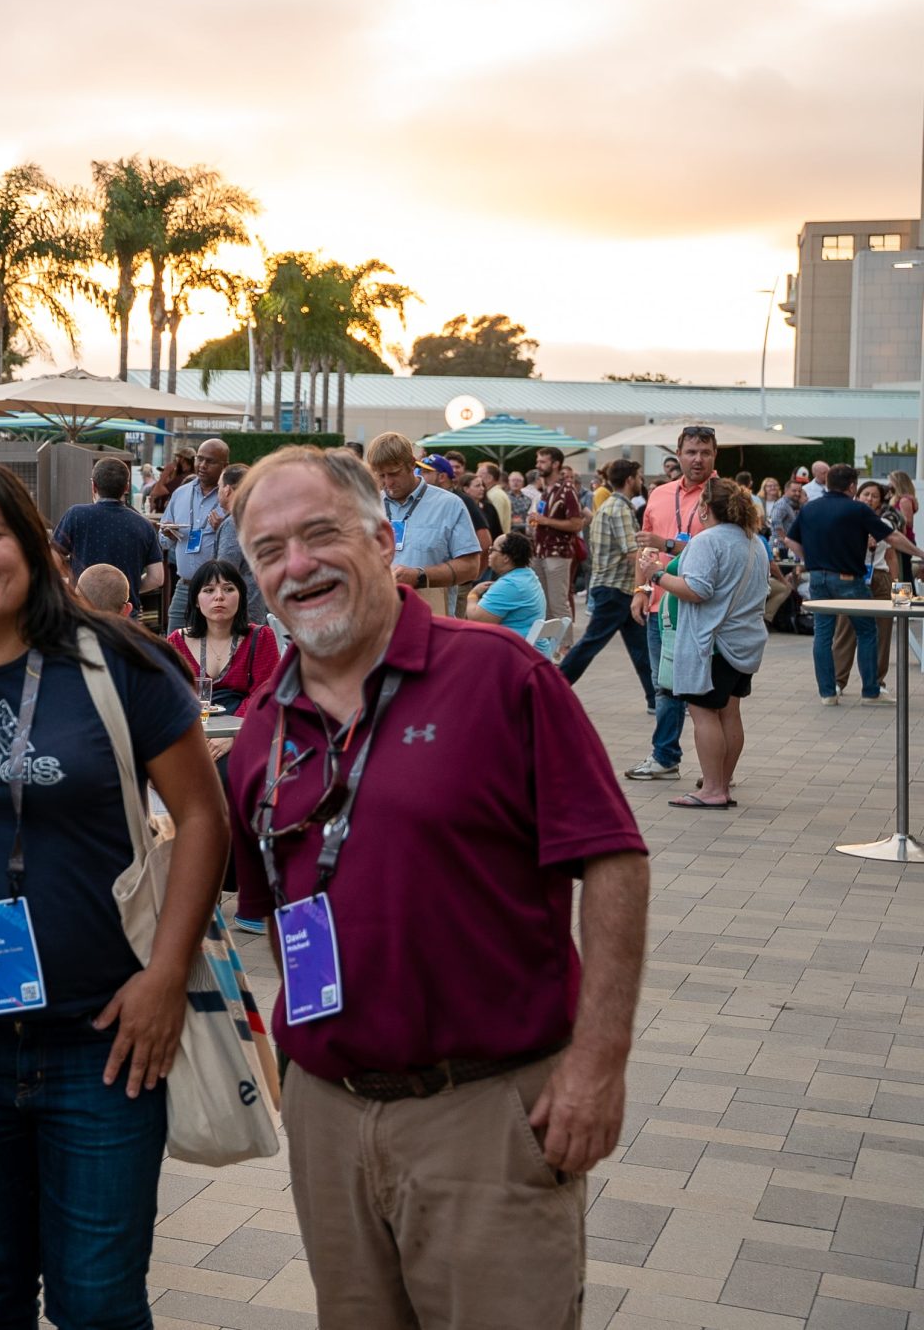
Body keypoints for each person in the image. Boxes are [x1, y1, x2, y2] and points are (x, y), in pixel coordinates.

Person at [225, 446, 649, 1327]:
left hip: (486, 1113)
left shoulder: (499, 675)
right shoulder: (263, 725)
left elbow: (614, 859)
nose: (295, 566)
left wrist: (599, 1063)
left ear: (384, 541)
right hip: (328, 1118)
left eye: (319, 535)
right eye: (270, 550)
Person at [0, 461, 226, 1329]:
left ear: (37, 547)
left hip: (103, 1039)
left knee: (99, 1301)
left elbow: (201, 817)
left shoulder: (121, 663)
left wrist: (166, 977)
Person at [638, 478, 767, 811]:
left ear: (705, 508)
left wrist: (656, 575)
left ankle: (712, 789)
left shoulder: (708, 541)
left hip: (712, 643)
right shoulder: (753, 540)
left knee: (703, 712)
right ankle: (721, 782)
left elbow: (697, 589)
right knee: (730, 713)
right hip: (744, 640)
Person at [627, 425, 716, 780]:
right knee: (663, 686)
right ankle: (665, 756)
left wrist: (667, 544)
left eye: (705, 452)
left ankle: (717, 768)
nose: (698, 459)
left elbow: (721, 551)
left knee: (709, 692)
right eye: (691, 452)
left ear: (715, 456)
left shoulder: (722, 496)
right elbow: (645, 548)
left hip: (700, 606)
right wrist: (640, 590)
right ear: (678, 454)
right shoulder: (661, 493)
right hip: (660, 605)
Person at [790, 463, 919, 706]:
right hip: (849, 579)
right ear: (852, 486)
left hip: (818, 578)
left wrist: (810, 560)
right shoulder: (857, 510)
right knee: (867, 631)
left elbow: (789, 539)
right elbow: (891, 537)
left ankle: (828, 693)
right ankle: (870, 691)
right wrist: (919, 553)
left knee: (823, 634)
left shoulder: (809, 508)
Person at [559, 460, 654, 707]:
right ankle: (553, 684)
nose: (641, 481)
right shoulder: (620, 509)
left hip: (616, 588)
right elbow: (632, 552)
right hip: (614, 590)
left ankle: (656, 699)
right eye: (639, 476)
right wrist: (658, 569)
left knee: (642, 648)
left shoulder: (610, 506)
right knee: (591, 644)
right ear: (630, 479)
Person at [366, 434, 480, 614]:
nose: (388, 483)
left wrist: (420, 576)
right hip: (379, 621)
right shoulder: (368, 506)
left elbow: (471, 567)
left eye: (394, 474)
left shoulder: (449, 505)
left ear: (412, 464)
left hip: (431, 621)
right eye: (381, 475)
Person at [168, 559, 281, 719]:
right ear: (196, 600)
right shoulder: (177, 641)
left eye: (228, 589)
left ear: (241, 597)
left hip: (245, 731)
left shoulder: (261, 637)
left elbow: (266, 694)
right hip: (193, 732)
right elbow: (169, 697)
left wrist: (231, 734)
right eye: (209, 590)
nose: (219, 597)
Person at [51, 459, 163, 606]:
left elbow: (52, 559)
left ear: (94, 486)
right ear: (126, 487)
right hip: (125, 615)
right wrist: (126, 590)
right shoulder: (144, 525)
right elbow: (157, 577)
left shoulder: (76, 515)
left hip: (83, 610)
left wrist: (72, 588)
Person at [158, 437, 229, 629]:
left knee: (212, 650)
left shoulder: (230, 497)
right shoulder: (181, 493)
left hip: (218, 590)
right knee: (173, 649)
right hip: (185, 586)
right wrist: (168, 535)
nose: (202, 465)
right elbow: (163, 541)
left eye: (210, 461)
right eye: (199, 459)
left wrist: (225, 528)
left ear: (225, 466)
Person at [524, 447, 585, 623]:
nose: (538, 466)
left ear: (556, 464)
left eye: (542, 462)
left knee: (558, 604)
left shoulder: (566, 490)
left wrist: (545, 521)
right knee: (543, 604)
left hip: (558, 554)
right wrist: (535, 523)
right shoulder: (546, 490)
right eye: (538, 462)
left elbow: (577, 523)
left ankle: (565, 647)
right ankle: (550, 647)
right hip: (541, 552)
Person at [204, 462, 268, 624]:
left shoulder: (233, 523)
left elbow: (225, 571)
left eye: (219, 487)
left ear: (227, 490)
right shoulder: (260, 517)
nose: (218, 491)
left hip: (241, 613)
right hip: (257, 608)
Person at [466, 532, 551, 653]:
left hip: (518, 653)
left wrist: (472, 595)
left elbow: (477, 621)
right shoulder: (527, 575)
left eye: (492, 550)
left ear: (506, 558)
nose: (489, 554)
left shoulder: (510, 585)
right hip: (534, 648)